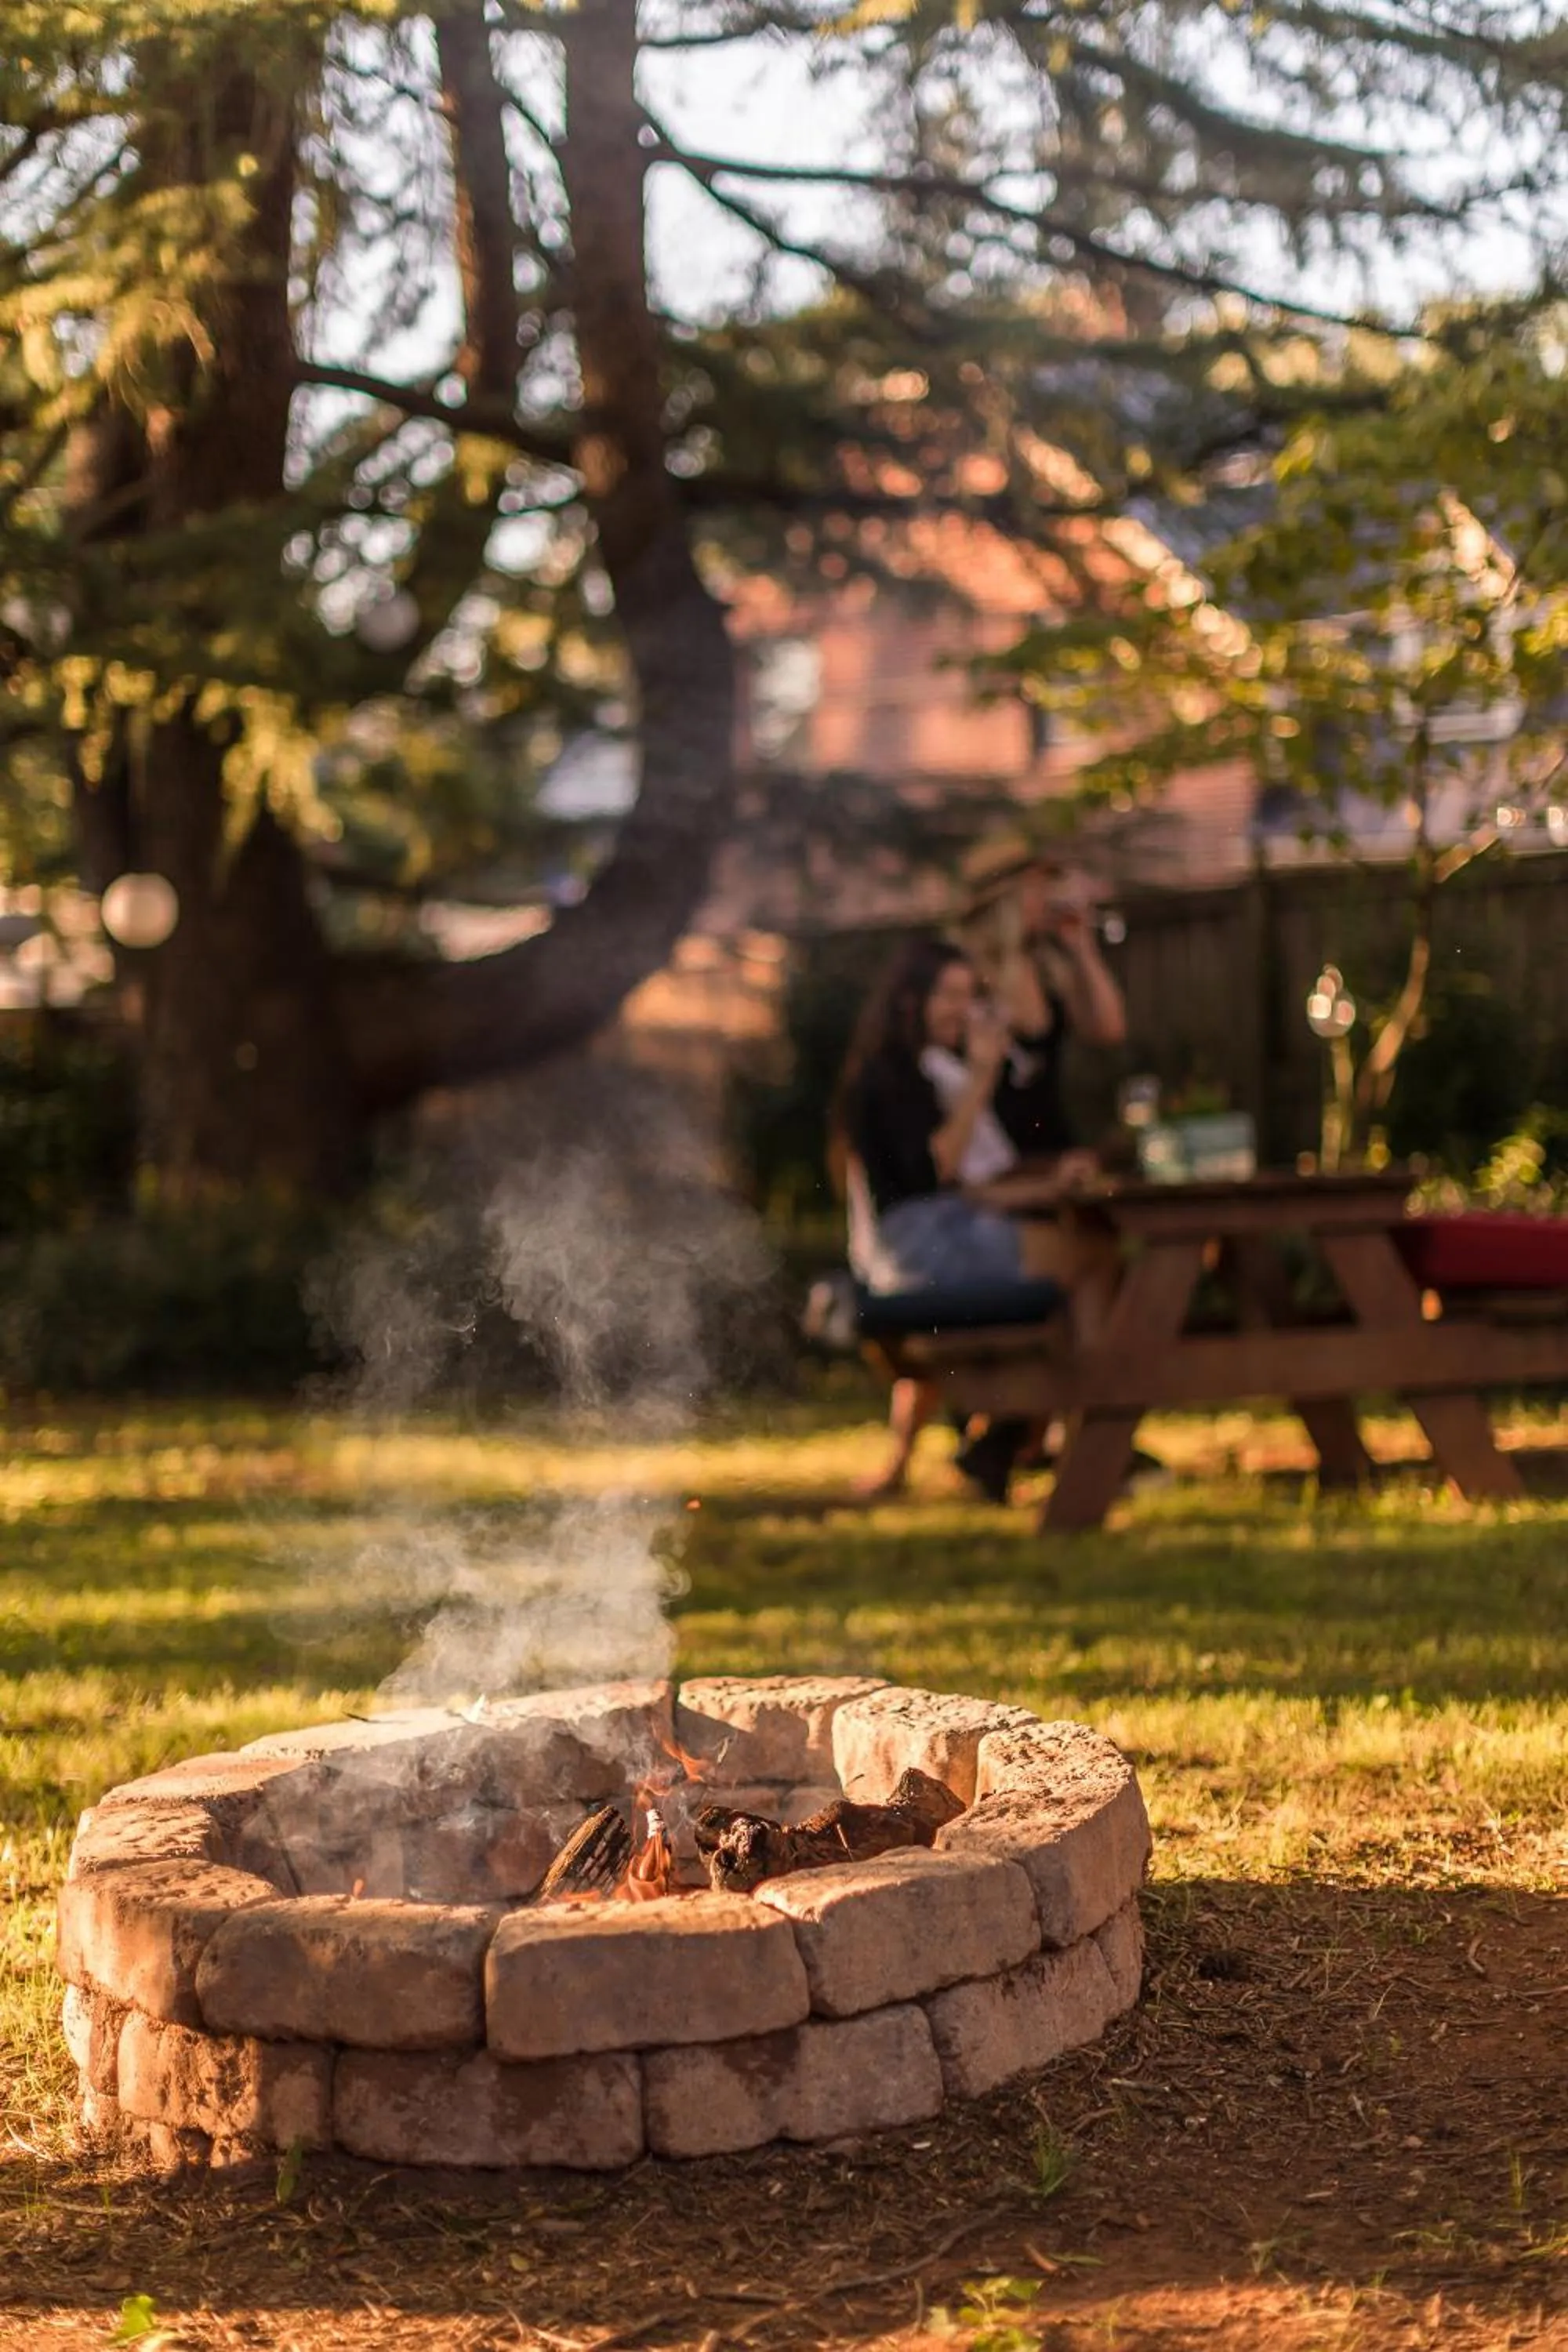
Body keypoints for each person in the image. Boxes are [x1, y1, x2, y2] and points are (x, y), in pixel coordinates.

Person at [832, 938, 1079, 1501]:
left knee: (1082, 1254)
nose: (962, 1010)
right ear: (909, 999)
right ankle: (1057, 1431)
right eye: (948, 994)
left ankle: (1011, 1438)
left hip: (951, 1227)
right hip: (916, 1245)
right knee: (1083, 1264)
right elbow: (934, 1169)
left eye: (970, 996)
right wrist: (982, 1079)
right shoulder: (888, 1077)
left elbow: (983, 1183)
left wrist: (1052, 1180)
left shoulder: (941, 1069)